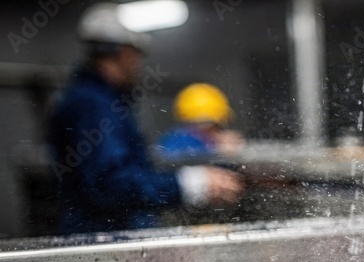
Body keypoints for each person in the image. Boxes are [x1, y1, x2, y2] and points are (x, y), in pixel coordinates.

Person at [46, 3, 243, 235]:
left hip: (110, 235)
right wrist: (190, 184)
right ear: (123, 53)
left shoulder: (98, 101)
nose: (138, 64)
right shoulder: (93, 105)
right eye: (136, 55)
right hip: (103, 239)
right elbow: (109, 183)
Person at [158, 83, 245, 158]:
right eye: (216, 126)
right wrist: (219, 151)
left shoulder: (175, 138)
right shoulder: (182, 142)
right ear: (208, 125)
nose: (217, 131)